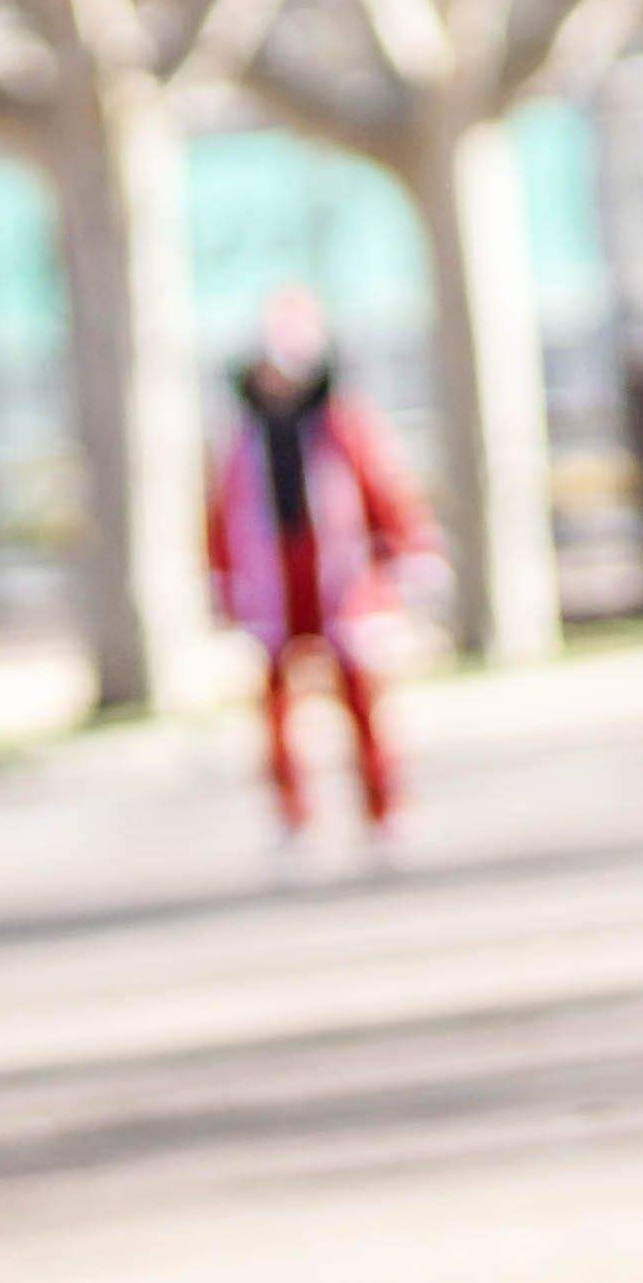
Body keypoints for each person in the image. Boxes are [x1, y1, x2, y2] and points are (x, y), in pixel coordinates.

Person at [210, 293, 431, 861]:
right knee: (276, 707)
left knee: (362, 697)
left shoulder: (342, 426)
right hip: (272, 579)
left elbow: (383, 489)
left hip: (339, 576)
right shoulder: (243, 437)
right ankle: (293, 819)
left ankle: (384, 811)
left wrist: (408, 550)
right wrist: (223, 580)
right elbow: (222, 512)